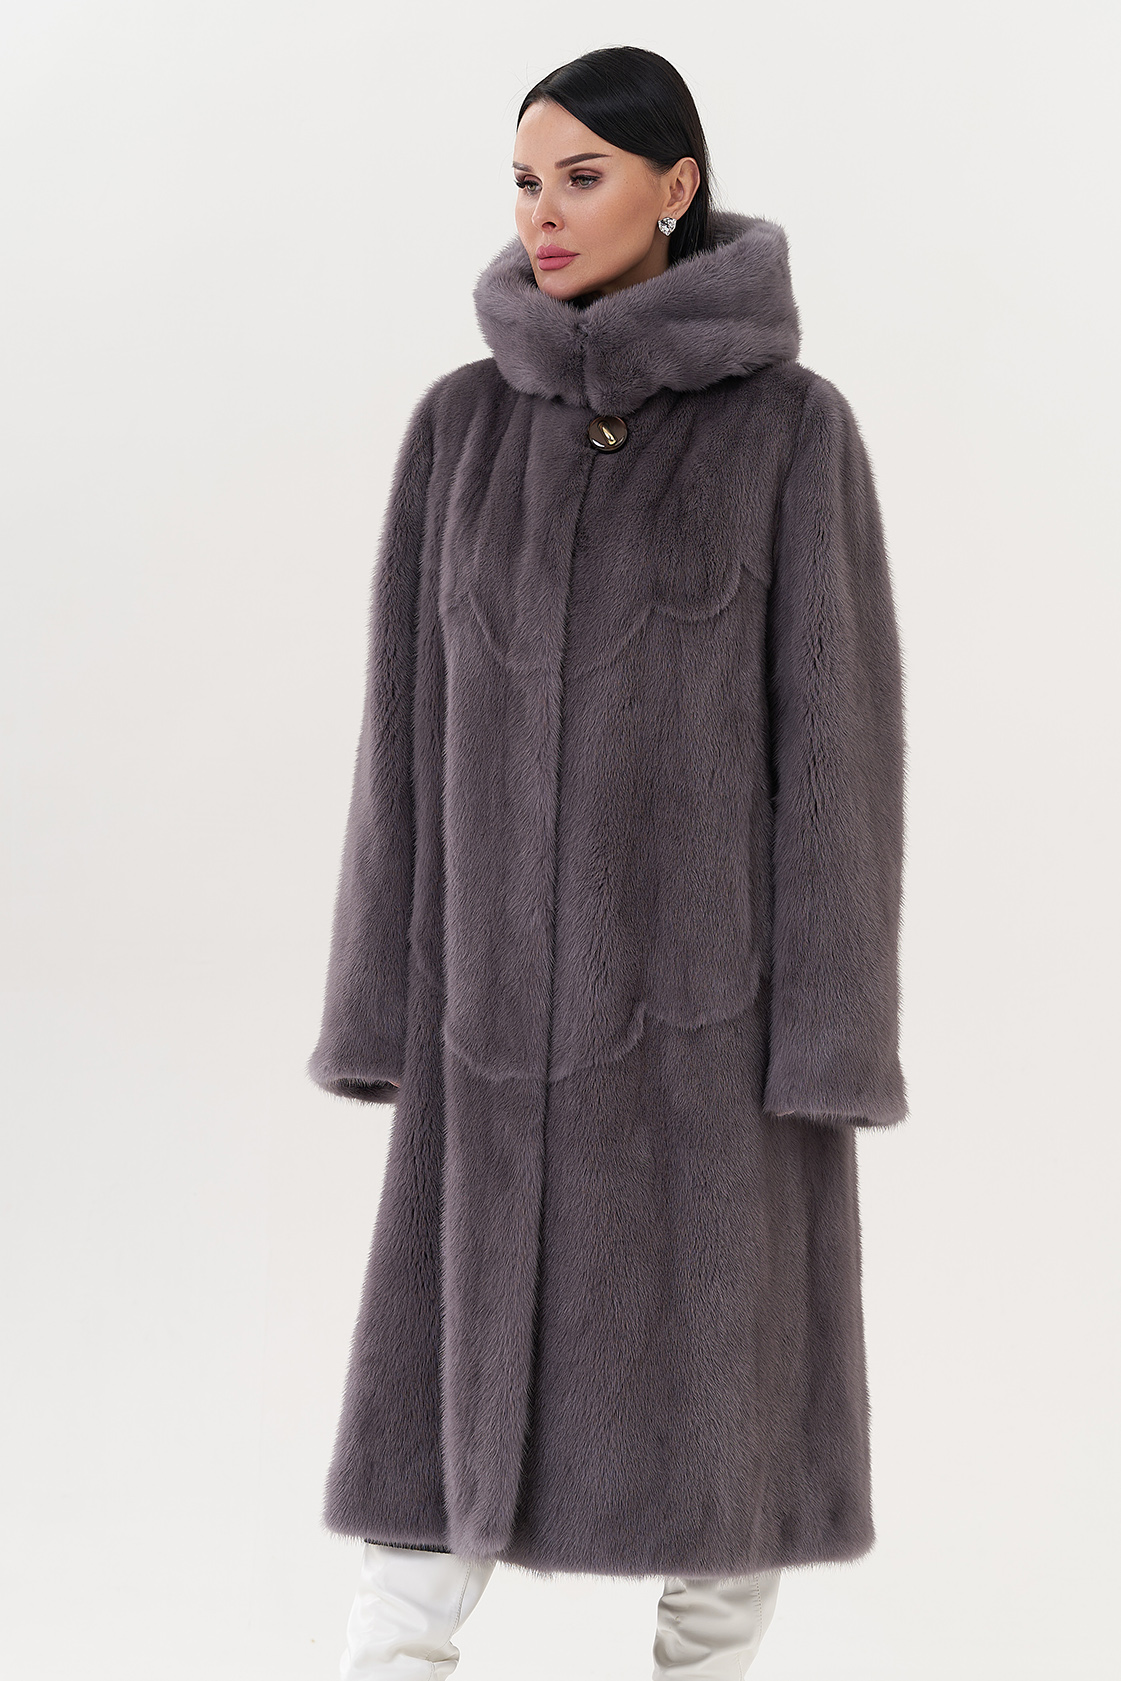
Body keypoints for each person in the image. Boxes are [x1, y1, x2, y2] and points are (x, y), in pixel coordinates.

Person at [307, 44, 908, 1681]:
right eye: (524, 180)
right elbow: (398, 748)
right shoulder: (459, 430)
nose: (544, 213)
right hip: (484, 1039)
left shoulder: (790, 435)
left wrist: (830, 1039)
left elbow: (837, 756)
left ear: (675, 187)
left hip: (711, 1044)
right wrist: (377, 1010)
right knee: (425, 1448)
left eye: (582, 176)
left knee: (721, 1437)